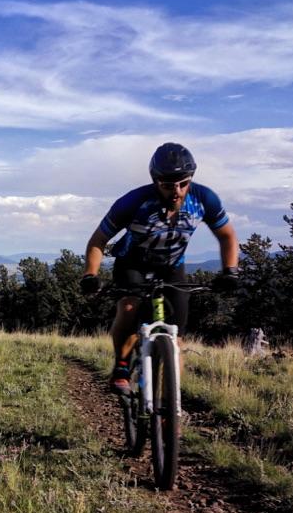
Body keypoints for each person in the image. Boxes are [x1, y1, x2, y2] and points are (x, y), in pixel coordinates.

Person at [80, 142, 239, 394]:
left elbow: (227, 236)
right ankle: (121, 365)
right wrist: (90, 274)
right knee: (130, 306)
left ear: (190, 180)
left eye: (183, 183)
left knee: (176, 339)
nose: (176, 191)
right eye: (167, 185)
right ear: (156, 181)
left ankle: (171, 408)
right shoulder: (133, 202)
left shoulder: (204, 198)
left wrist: (230, 271)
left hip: (172, 267)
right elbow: (98, 240)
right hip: (132, 263)